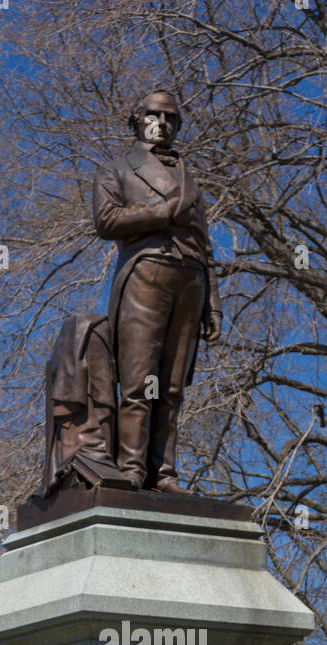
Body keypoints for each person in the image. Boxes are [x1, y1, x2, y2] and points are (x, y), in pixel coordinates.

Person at [93, 89, 221, 491]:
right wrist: (162, 213)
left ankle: (163, 473)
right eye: (154, 115)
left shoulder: (190, 176)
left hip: (190, 280)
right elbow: (107, 220)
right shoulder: (117, 170)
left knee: (172, 386)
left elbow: (204, 241)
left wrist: (213, 305)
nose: (162, 123)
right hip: (146, 273)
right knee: (138, 378)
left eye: (170, 117)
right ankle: (131, 469)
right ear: (137, 120)